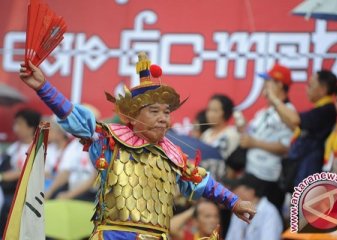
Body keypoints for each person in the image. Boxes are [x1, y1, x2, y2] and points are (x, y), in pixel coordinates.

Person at [19, 52, 256, 240]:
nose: (163, 118)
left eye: (166, 112)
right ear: (132, 116)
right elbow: (76, 117)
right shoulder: (111, 140)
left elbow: (203, 183)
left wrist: (234, 202)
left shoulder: (173, 155)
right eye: (154, 111)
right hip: (112, 235)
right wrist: (43, 88)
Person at [267, 69, 337, 190]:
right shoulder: (320, 109)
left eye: (310, 85)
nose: (306, 89)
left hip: (311, 168)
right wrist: (275, 103)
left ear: (323, 89)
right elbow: (294, 125)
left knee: (303, 207)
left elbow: (295, 120)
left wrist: (274, 99)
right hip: (303, 167)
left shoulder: (327, 110)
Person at [240, 64, 295, 210]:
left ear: (279, 84)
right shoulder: (264, 112)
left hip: (269, 177)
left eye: (268, 80)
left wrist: (254, 142)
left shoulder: (288, 112)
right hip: (252, 172)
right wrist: (243, 129)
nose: (265, 84)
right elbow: (251, 134)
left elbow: (286, 147)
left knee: (264, 220)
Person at [0, 108, 41, 235]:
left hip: (24, 193)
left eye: (19, 124)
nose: (15, 127)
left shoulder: (38, 148)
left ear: (31, 127)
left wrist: (5, 177)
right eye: (15, 123)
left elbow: (30, 172)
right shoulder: (13, 147)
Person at [225, 174, 283, 240]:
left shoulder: (270, 212)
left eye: (234, 188)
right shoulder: (238, 209)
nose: (231, 192)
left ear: (250, 191)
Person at [201, 94, 240, 160]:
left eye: (215, 110)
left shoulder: (231, 135)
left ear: (225, 113)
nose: (209, 114)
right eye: (209, 110)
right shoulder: (206, 133)